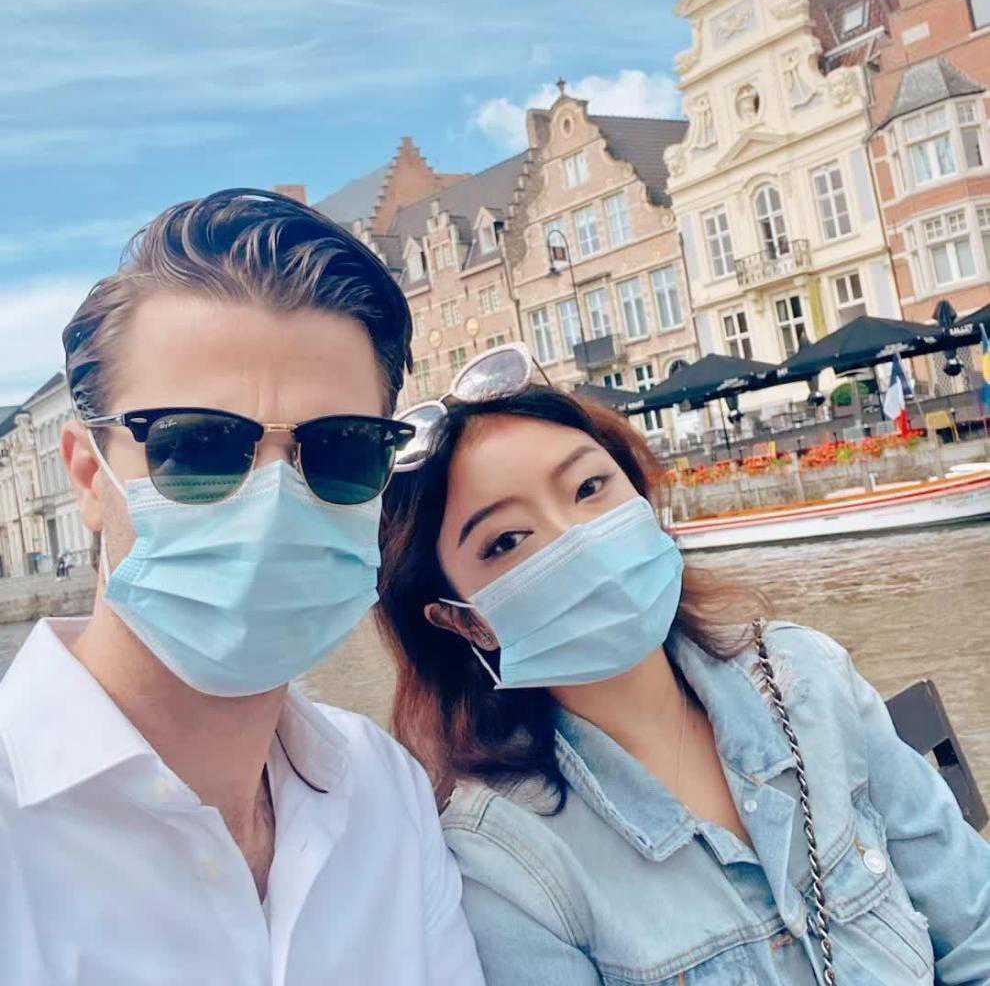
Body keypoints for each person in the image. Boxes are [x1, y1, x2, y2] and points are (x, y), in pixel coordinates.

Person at [0, 189, 483, 985]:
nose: (274, 500)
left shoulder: (386, 792)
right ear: (89, 475)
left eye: (343, 449)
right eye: (198, 446)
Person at [377, 368, 990, 985]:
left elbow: (974, 924)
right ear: (465, 622)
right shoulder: (508, 865)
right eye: (507, 540)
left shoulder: (805, 678)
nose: (577, 538)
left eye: (589, 487)